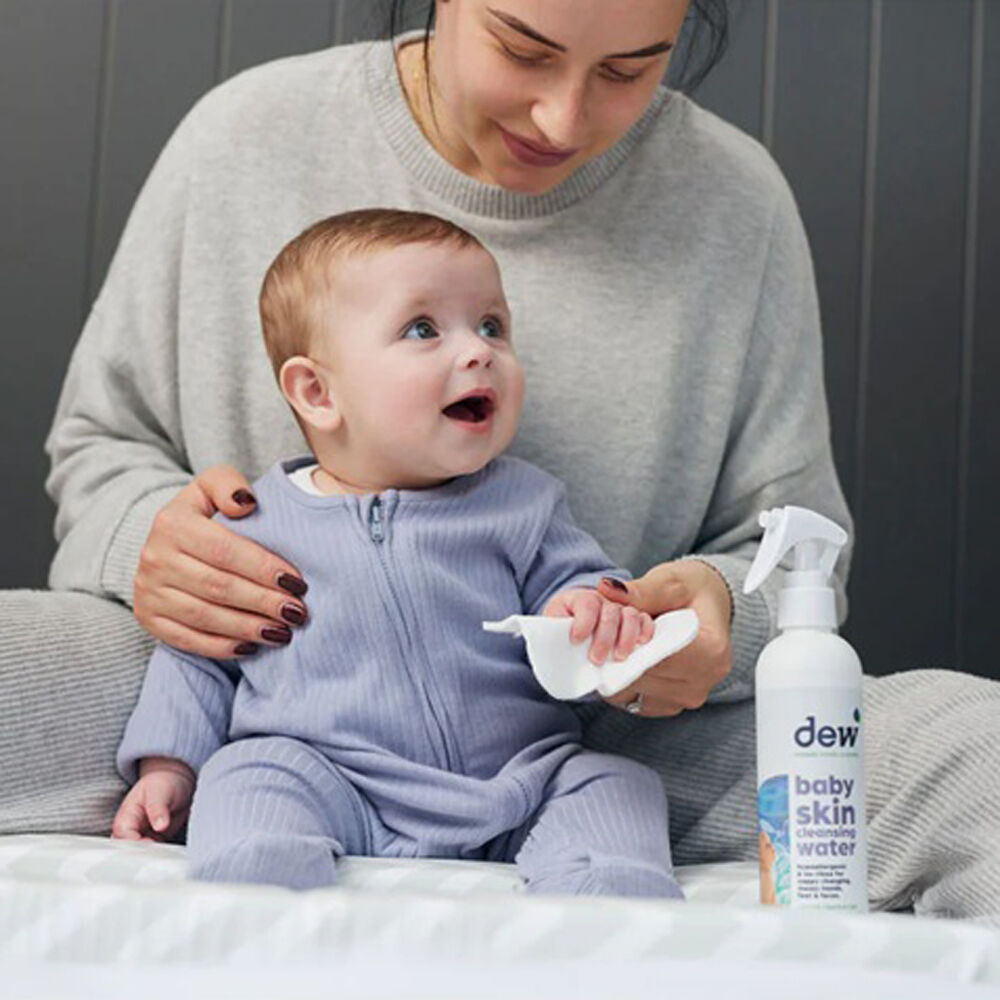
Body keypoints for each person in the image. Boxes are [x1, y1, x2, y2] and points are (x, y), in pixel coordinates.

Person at [4, 0, 999, 921]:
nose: (562, 119)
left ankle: (600, 909)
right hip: (265, 704)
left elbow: (794, 554)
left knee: (978, 751)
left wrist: (708, 619)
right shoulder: (243, 136)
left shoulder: (734, 206)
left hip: (594, 732)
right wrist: (169, 558)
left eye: (629, 69)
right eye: (523, 50)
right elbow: (100, 446)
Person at [111, 207, 681, 898]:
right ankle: (261, 894)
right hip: (330, 776)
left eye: (492, 326)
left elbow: (580, 581)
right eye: (423, 330)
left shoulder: (525, 503)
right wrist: (168, 767)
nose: (479, 352)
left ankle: (604, 900)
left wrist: (592, 610)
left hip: (516, 777)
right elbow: (197, 651)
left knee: (614, 783)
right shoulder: (255, 524)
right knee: (248, 777)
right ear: (317, 392)